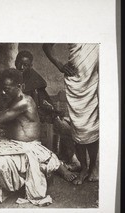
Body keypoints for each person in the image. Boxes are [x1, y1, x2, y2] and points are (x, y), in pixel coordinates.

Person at [0, 69, 77, 203]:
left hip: (27, 147)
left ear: (20, 87)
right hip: (13, 143)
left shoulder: (24, 102)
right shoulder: (12, 99)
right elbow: (0, 118)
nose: (3, 92)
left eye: (7, 89)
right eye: (2, 89)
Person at [43, 43, 99, 185]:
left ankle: (93, 167)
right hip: (76, 83)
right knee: (78, 128)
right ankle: (84, 169)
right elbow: (46, 46)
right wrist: (60, 65)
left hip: (94, 78)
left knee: (92, 128)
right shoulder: (67, 22)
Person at [15, 50, 60, 123]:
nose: (21, 67)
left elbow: (39, 104)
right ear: (15, 63)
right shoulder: (12, 76)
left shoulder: (36, 81)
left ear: (30, 66)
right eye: (19, 63)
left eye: (25, 65)